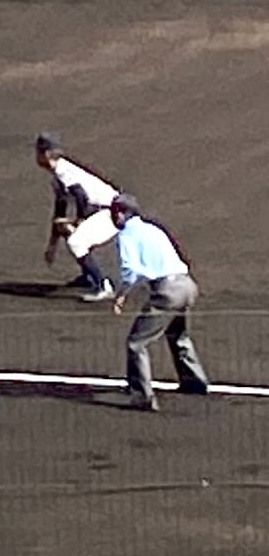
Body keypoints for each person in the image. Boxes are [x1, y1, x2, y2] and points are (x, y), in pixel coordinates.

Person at [111, 195, 208, 410]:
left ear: (119, 213)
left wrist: (121, 294)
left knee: (136, 343)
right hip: (187, 285)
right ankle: (195, 382)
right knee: (178, 335)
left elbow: (129, 271)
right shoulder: (154, 229)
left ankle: (142, 397)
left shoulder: (126, 235)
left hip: (167, 292)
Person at [35, 133, 120, 299]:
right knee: (65, 227)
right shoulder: (59, 173)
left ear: (44, 154)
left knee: (76, 241)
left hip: (114, 212)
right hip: (106, 210)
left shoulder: (64, 172)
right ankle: (88, 275)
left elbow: (81, 197)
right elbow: (60, 209)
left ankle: (103, 285)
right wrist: (52, 245)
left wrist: (81, 221)